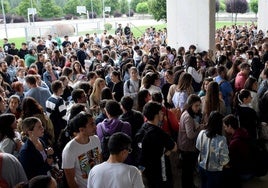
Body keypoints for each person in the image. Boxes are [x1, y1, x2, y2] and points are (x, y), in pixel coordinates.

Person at [136, 101, 177, 188]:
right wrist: (167, 150)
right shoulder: (160, 133)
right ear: (156, 115)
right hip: (161, 174)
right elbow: (174, 147)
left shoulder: (141, 130)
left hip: (147, 173)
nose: (162, 113)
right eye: (160, 111)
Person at [62, 112, 102, 188]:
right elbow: (71, 180)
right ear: (81, 129)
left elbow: (100, 161)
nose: (95, 127)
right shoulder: (69, 149)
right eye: (92, 124)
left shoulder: (95, 139)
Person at [196, 111, 229, 188]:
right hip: (214, 172)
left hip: (201, 166)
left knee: (203, 185)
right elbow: (224, 161)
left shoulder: (201, 133)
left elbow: (198, 147)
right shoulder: (221, 139)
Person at [178, 94, 203, 188]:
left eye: (199, 105)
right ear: (190, 105)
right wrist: (199, 129)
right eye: (196, 105)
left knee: (187, 171)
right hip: (187, 148)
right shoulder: (188, 117)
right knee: (188, 170)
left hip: (185, 146)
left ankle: (189, 185)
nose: (198, 108)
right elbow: (190, 135)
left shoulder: (186, 113)